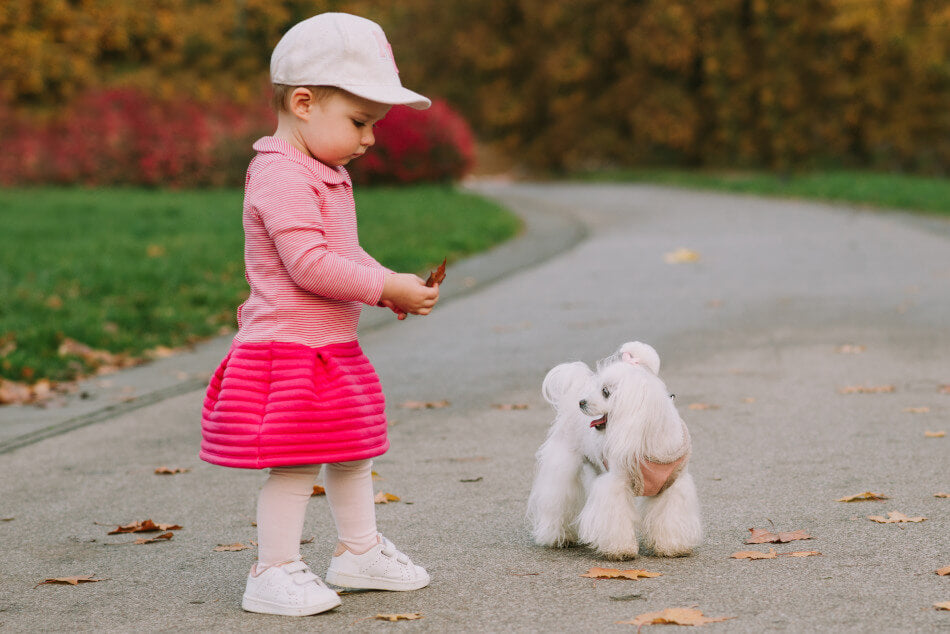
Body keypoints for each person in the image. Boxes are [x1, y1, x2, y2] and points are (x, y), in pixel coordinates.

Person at [199, 12, 439, 616]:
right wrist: (382, 284)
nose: (370, 139)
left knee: (354, 448)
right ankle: (272, 570)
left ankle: (358, 552)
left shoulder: (324, 172)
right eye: (360, 122)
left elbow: (342, 254)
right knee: (295, 460)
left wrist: (385, 288)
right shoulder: (279, 170)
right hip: (286, 347)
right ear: (303, 102)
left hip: (329, 345)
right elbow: (308, 264)